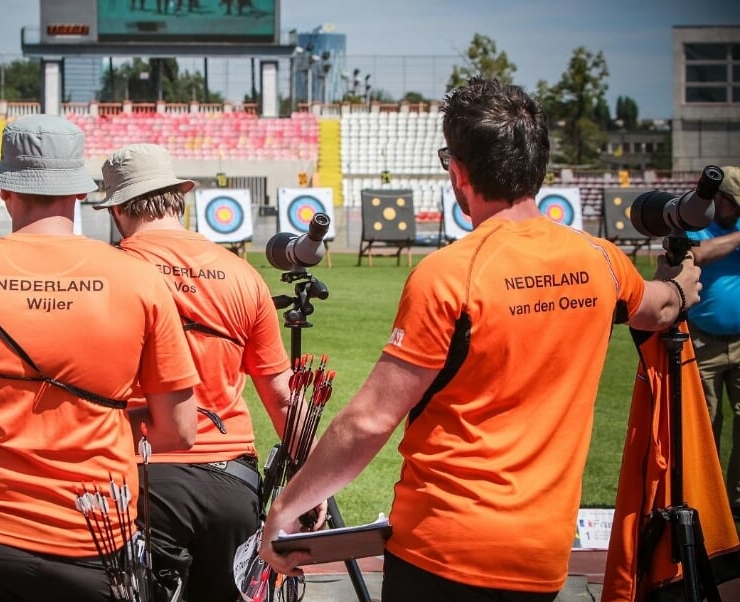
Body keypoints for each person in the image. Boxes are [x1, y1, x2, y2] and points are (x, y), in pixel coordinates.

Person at [257, 77, 702, 601]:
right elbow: (662, 306)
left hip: (441, 550)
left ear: (458, 172)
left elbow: (371, 419)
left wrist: (285, 508)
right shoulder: (601, 260)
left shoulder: (450, 274)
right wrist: (682, 279)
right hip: (540, 556)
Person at [0, 115, 199, 602]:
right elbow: (178, 431)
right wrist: (108, 421)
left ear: (6, 190)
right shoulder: (138, 279)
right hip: (99, 535)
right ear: (77, 194)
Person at [95, 143, 313, 601]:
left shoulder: (109, 273)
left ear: (116, 210)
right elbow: (280, 394)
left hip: (143, 476)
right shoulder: (242, 274)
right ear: (179, 198)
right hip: (232, 484)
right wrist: (309, 480)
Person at [687, 165, 740, 518]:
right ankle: (707, 501)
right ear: (721, 199)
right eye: (732, 202)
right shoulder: (696, 222)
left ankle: (735, 500)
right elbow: (697, 254)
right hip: (703, 343)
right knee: (705, 426)